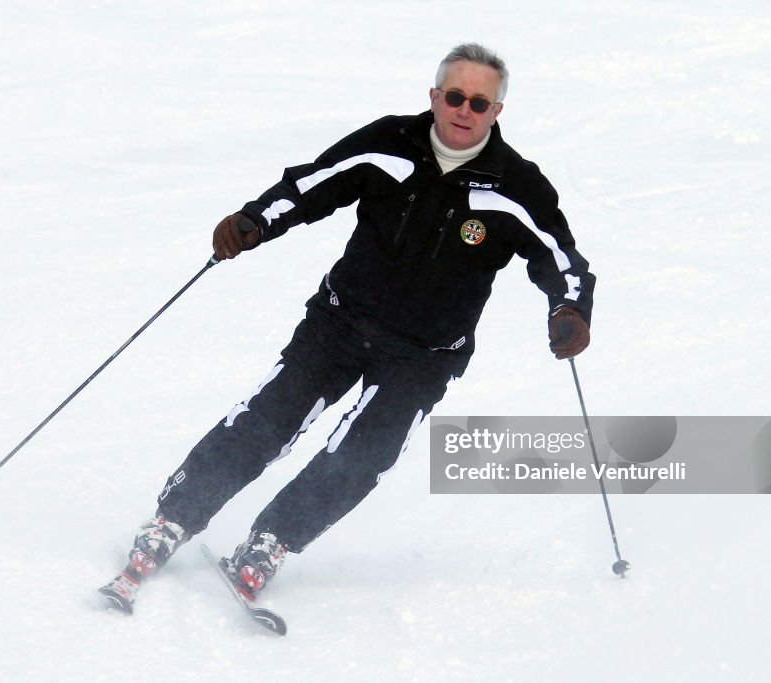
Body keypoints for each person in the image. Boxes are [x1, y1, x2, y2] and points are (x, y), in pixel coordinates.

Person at [99, 42, 596, 613]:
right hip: (340, 321)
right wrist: (256, 221)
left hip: (425, 353)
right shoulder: (390, 144)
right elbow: (315, 184)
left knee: (361, 454)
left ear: (497, 113)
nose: (465, 110)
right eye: (454, 96)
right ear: (434, 98)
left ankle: (271, 541)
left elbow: (562, 261)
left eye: (479, 103)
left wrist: (571, 311)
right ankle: (173, 520)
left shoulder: (517, 186)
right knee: (269, 419)